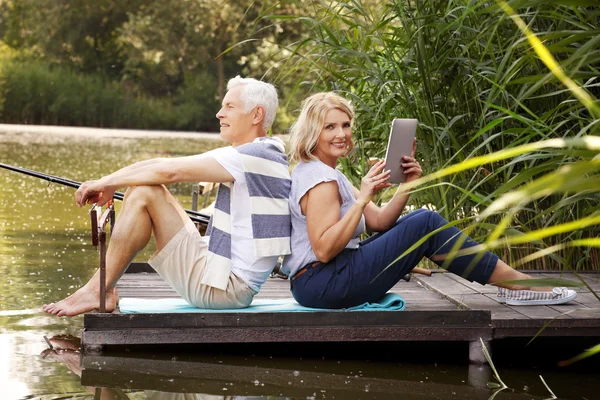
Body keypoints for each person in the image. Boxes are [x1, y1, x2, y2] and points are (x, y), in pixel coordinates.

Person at [281, 92, 577, 308]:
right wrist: (361, 201)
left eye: (345, 125)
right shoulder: (319, 180)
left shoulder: (330, 174)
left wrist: (408, 184)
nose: (342, 134)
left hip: (327, 278)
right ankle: (516, 284)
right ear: (312, 132)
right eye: (330, 127)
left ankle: (512, 283)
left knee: (419, 219)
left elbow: (381, 222)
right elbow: (322, 250)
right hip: (322, 282)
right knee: (424, 222)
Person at [43, 77, 292, 317]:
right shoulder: (260, 153)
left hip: (225, 289)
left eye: (229, 106)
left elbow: (170, 172)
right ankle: (102, 289)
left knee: (144, 191)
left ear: (256, 115)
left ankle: (96, 290)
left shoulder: (255, 156)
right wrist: (110, 182)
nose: (219, 113)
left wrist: (107, 182)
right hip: (225, 281)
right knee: (142, 188)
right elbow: (163, 164)